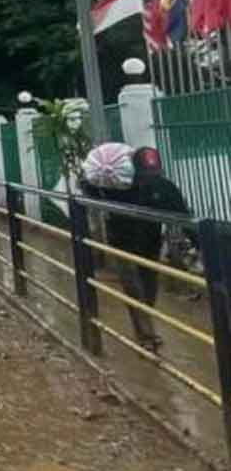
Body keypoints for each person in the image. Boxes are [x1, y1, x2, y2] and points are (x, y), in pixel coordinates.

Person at [83, 146, 193, 351]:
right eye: (145, 173)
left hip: (150, 245)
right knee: (133, 288)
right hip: (121, 244)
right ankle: (146, 336)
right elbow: (89, 187)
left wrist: (202, 246)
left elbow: (185, 217)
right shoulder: (115, 184)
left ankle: (145, 326)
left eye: (153, 172)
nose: (149, 177)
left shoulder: (164, 187)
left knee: (149, 289)